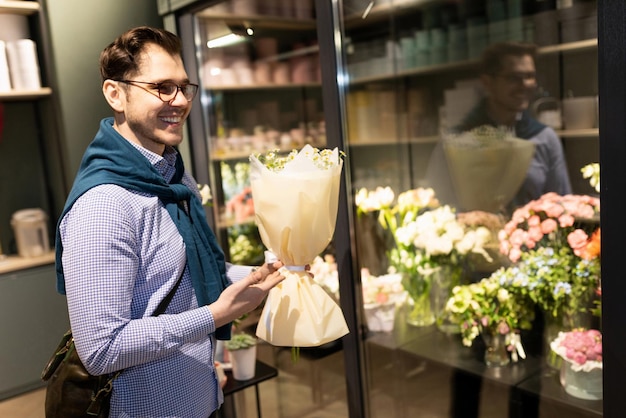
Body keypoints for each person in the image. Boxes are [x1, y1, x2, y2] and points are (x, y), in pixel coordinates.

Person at [54, 26, 285, 418]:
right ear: (115, 94)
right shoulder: (104, 205)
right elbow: (101, 348)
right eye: (162, 87)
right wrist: (215, 316)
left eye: (183, 87)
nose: (179, 101)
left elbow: (198, 273)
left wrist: (272, 274)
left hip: (199, 397)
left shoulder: (175, 177)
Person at [426, 41, 572, 212]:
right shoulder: (456, 141)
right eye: (514, 78)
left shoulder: (544, 138)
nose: (525, 84)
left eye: (530, 76)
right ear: (487, 82)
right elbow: (437, 205)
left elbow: (562, 203)